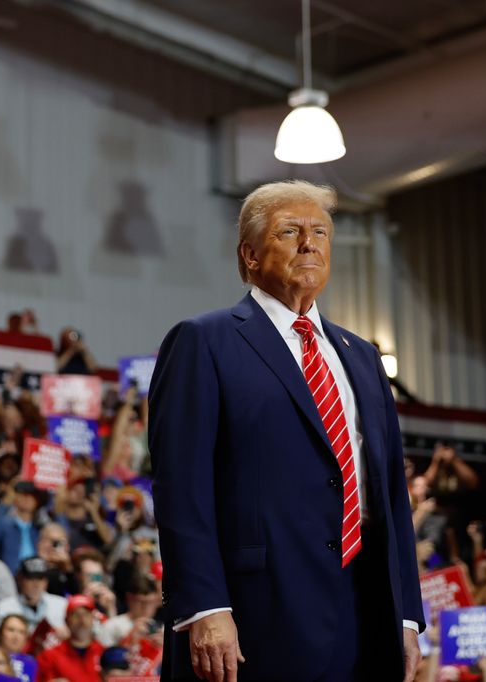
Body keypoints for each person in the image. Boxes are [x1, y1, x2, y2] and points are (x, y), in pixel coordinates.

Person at [149, 180, 423, 681]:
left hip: (363, 608)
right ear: (250, 255)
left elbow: (390, 497)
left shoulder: (361, 356)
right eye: (290, 231)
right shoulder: (204, 341)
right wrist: (205, 605)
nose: (309, 243)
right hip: (255, 613)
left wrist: (405, 613)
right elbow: (181, 487)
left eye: (320, 231)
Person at [0, 557, 68, 644]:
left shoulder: (61, 605)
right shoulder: (5, 606)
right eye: (31, 579)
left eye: (40, 579)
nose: (36, 585)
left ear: (46, 582)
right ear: (20, 579)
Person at [35, 594, 104, 682]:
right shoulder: (49, 657)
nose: (82, 620)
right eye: (76, 615)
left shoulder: (103, 652)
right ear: (66, 620)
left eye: (86, 614)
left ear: (93, 619)